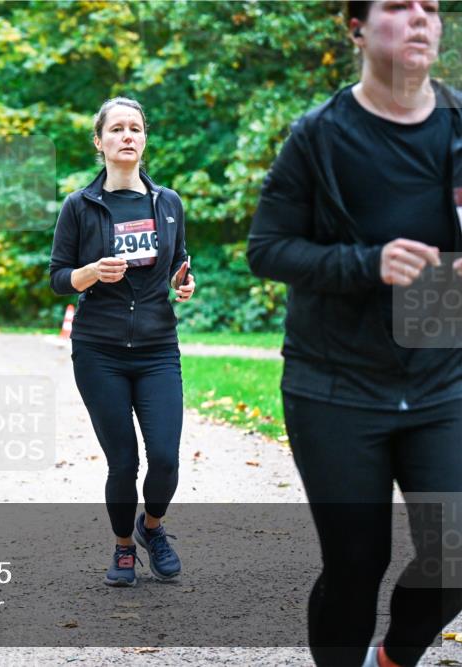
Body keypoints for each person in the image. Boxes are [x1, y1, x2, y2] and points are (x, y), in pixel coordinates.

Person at [247, 2, 462, 665]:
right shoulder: (319, 136)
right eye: (399, 6)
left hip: (440, 376)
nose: (422, 18)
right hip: (335, 382)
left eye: (432, 6)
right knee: (355, 562)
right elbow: (268, 249)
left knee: (454, 554)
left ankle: (395, 656)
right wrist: (366, 263)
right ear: (356, 27)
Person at [50, 97, 196, 587]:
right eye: (117, 129)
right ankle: (123, 548)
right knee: (124, 462)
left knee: (167, 458)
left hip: (157, 349)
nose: (127, 136)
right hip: (99, 352)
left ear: (144, 139)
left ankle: (151, 528)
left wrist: (183, 282)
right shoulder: (80, 205)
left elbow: (178, 263)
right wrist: (89, 273)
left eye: (135, 128)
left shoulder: (167, 203)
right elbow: (57, 278)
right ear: (100, 142)